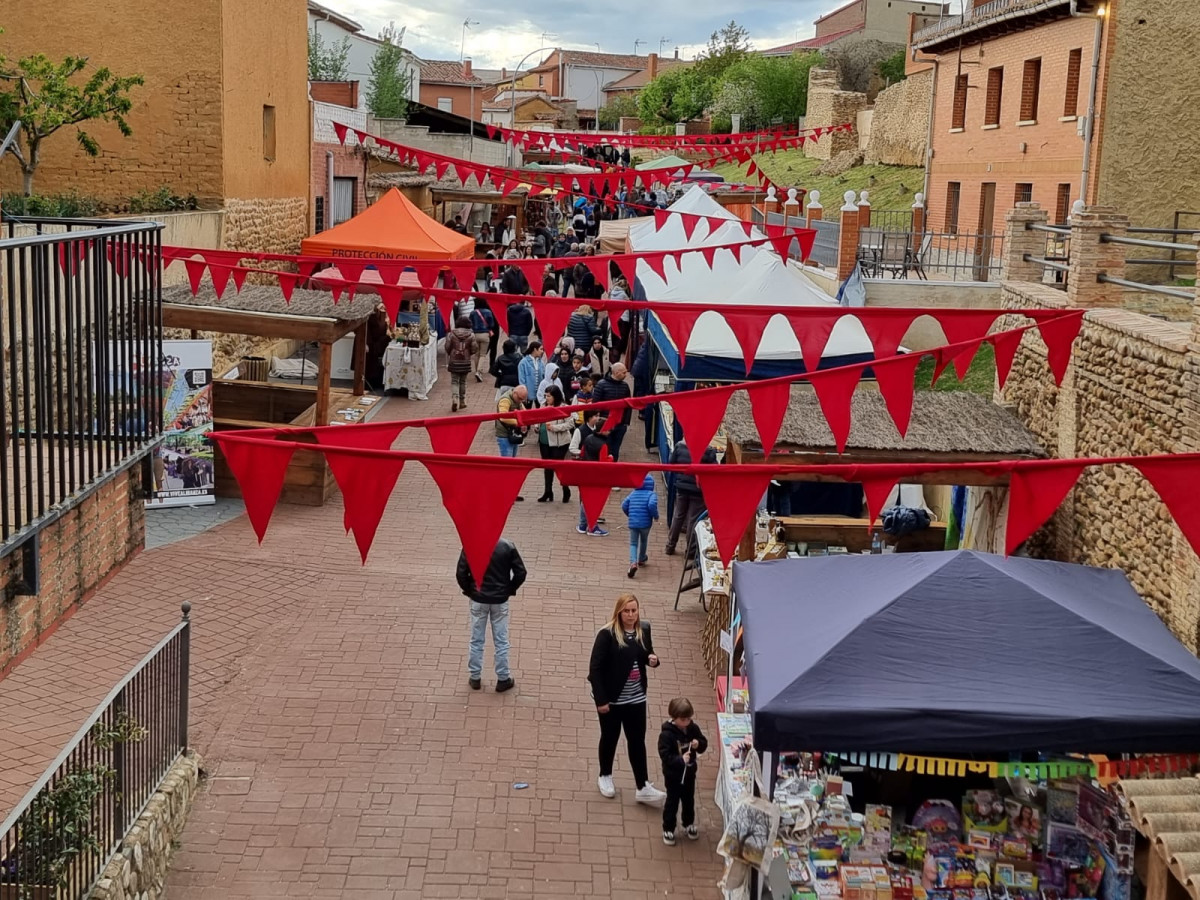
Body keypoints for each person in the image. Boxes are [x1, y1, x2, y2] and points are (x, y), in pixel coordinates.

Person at [588, 594, 667, 804]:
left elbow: (646, 654)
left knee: (637, 741)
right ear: (619, 612)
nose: (631, 615)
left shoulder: (643, 630)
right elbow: (595, 669)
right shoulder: (607, 635)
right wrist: (601, 700)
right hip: (612, 700)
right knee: (609, 737)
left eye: (634, 610)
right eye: (627, 611)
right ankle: (605, 775)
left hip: (636, 698)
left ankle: (642, 785)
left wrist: (653, 660)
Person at [456, 539, 526, 693]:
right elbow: (521, 572)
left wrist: (470, 590)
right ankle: (503, 678)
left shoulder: (471, 544)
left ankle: (475, 676)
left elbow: (461, 574)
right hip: (500, 600)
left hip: (478, 598)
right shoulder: (507, 546)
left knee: (476, 639)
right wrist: (509, 589)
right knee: (501, 640)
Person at [657, 697, 708, 845]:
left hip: (689, 774)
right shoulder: (666, 735)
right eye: (683, 720)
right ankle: (668, 828)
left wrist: (699, 744)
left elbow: (703, 742)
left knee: (688, 800)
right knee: (672, 802)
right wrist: (680, 760)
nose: (687, 722)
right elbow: (665, 755)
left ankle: (688, 823)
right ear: (674, 718)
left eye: (689, 719)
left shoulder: (692, 728)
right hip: (673, 776)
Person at [664, 439, 718, 555]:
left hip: (681, 486)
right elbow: (714, 469)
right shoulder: (708, 451)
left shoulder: (679, 446)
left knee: (678, 515)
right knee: (693, 519)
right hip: (697, 489)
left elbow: (671, 463)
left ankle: (670, 545)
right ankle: (690, 551)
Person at [570, 407, 609, 536]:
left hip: (585, 472)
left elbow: (581, 453)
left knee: (585, 500)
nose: (610, 431)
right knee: (593, 500)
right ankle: (592, 527)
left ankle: (582, 525)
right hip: (596, 476)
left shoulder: (587, 438)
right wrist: (611, 459)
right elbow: (604, 464)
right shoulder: (603, 445)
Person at [536, 385, 574, 503]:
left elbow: (570, 424)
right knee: (547, 467)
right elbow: (537, 418)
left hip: (559, 443)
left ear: (555, 396)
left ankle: (565, 488)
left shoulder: (564, 408)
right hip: (544, 441)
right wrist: (537, 426)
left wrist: (554, 427)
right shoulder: (543, 406)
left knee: (558, 467)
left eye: (549, 396)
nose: (546, 398)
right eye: (545, 396)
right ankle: (548, 491)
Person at [592, 363, 632, 461]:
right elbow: (595, 405)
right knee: (605, 450)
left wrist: (625, 423)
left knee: (615, 451)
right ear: (616, 372)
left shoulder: (625, 386)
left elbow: (628, 405)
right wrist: (599, 422)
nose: (626, 375)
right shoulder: (601, 385)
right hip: (605, 425)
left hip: (620, 425)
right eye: (624, 372)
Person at [621, 474, 659, 578]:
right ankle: (641, 558)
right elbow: (652, 505)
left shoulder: (633, 493)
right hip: (645, 523)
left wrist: (630, 514)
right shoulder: (652, 494)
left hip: (633, 523)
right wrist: (655, 516)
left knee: (633, 543)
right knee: (643, 540)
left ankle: (633, 563)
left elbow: (624, 505)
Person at [495, 384, 529, 468]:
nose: (521, 401)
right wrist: (518, 422)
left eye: (523, 399)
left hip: (513, 433)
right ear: (515, 393)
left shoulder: (518, 399)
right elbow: (503, 417)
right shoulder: (505, 400)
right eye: (520, 398)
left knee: (512, 461)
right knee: (507, 463)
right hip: (504, 435)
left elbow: (525, 412)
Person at [446, 316, 475, 412]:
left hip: (454, 359)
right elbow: (474, 348)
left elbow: (447, 347)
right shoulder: (471, 335)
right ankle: (462, 401)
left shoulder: (451, 334)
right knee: (463, 381)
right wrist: (469, 353)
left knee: (454, 381)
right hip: (465, 360)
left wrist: (451, 352)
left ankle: (455, 398)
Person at [470, 302, 496, 382]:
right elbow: (492, 324)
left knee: (476, 354)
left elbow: (470, 323)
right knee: (483, 354)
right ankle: (479, 371)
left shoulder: (473, 313)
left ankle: (477, 370)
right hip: (485, 334)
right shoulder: (488, 312)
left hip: (475, 334)